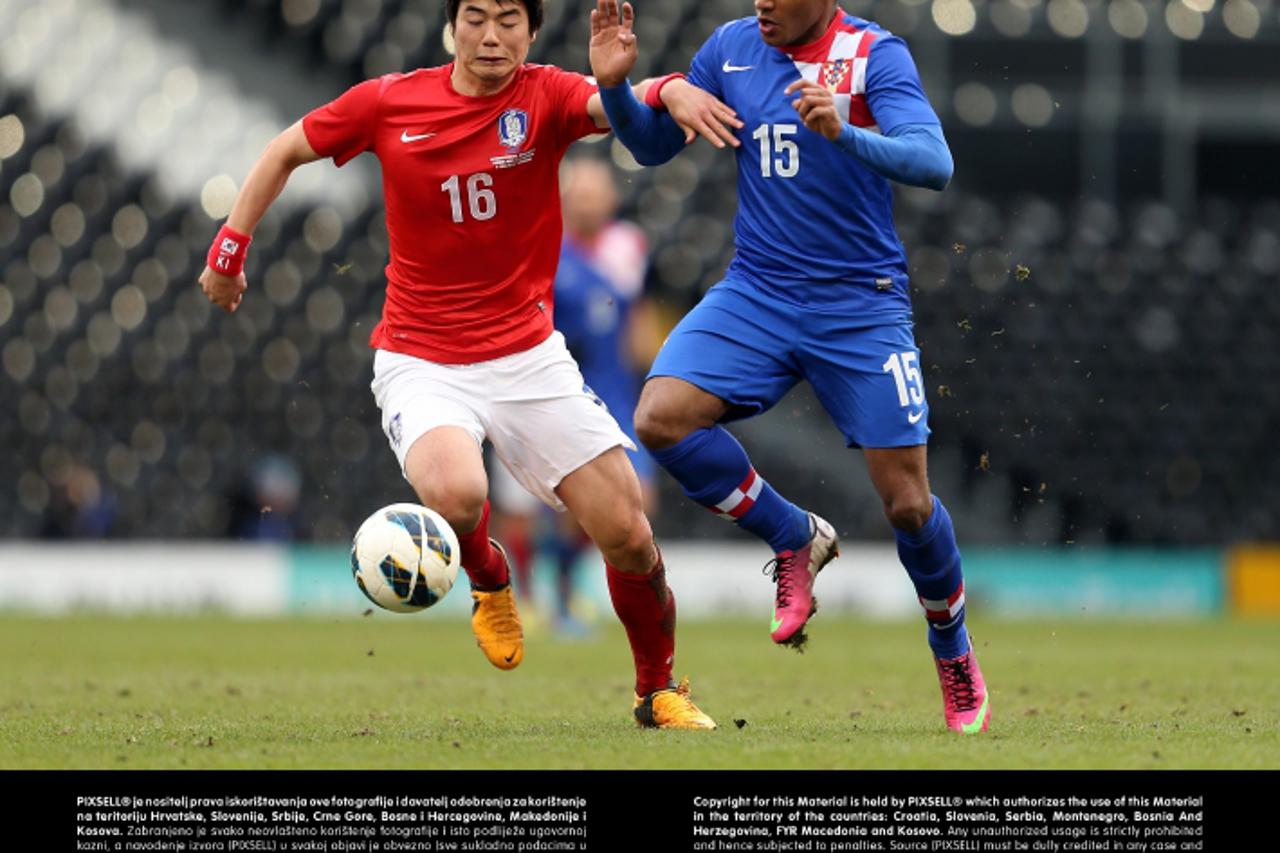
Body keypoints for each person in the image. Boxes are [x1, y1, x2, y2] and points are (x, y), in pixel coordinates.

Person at [198, 0, 737, 730]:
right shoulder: (390, 102)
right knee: (455, 494)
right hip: (422, 358)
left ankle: (657, 690)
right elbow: (285, 149)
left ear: (533, 32)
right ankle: (488, 577)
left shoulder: (544, 95)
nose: (492, 35)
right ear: (453, 26)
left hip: (529, 359)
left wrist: (665, 86)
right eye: (477, 17)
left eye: (510, 19)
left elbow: (629, 109)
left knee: (630, 532)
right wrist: (230, 248)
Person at [589, 0, 990, 734]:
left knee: (906, 502)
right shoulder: (731, 48)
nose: (762, 4)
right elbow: (651, 148)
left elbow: (934, 162)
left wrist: (849, 130)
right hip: (759, 291)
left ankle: (952, 647)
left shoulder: (874, 54)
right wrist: (618, 89)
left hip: (860, 304)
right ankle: (790, 534)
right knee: (661, 418)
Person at [491, 156, 660, 636]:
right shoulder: (545, 247)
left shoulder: (629, 247)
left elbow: (638, 312)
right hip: (545, 389)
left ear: (611, 198)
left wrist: (651, 364)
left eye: (594, 193)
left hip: (614, 391)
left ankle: (563, 587)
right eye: (577, 194)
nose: (586, 202)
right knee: (522, 508)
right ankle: (523, 599)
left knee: (635, 499)